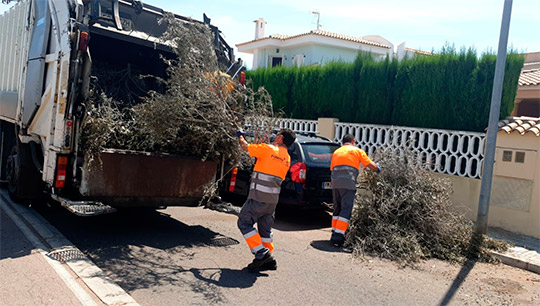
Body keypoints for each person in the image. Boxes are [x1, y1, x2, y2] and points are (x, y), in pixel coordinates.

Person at [237, 128, 296, 271]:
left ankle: (261, 254)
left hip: (258, 197)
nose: (274, 137)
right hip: (272, 201)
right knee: (265, 230)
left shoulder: (267, 149)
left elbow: (245, 146)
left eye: (277, 136)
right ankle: (268, 259)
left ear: (281, 138)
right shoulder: (287, 158)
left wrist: (240, 136)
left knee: (244, 222)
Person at [330, 134, 380, 247]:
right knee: (346, 208)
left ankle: (334, 232)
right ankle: (338, 237)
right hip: (348, 183)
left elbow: (332, 168)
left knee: (337, 208)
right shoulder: (357, 151)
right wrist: (378, 169)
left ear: (342, 142)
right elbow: (370, 165)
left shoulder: (337, 152)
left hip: (335, 183)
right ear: (353, 141)